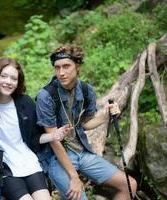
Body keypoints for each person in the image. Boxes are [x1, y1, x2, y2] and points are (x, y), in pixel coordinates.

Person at [36, 44, 137, 200]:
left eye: (66, 66)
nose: (61, 73)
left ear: (77, 66)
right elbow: (54, 140)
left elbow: (86, 123)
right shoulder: (46, 96)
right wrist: (74, 178)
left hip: (82, 153)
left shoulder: (85, 90)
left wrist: (106, 115)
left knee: (129, 185)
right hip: (56, 158)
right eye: (57, 68)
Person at [0, 58, 72, 200]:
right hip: (3, 167)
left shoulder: (24, 102)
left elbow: (34, 137)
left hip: (28, 163)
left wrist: (54, 136)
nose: (8, 82)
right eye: (4, 76)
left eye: (13, 78)